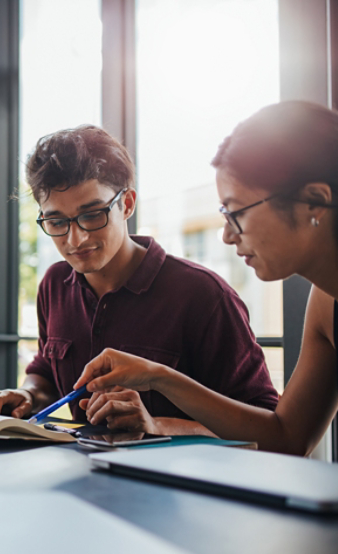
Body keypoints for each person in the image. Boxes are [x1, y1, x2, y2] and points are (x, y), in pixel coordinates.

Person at [0, 125, 279, 435]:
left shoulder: (204, 295)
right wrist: (28, 394)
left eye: (92, 215)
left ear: (127, 204)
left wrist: (158, 425)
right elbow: (46, 372)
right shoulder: (54, 284)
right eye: (56, 221)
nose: (75, 239)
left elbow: (266, 426)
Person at [79, 101, 338, 456]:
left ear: (314, 201)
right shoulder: (325, 302)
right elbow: (288, 438)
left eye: (237, 213)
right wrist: (158, 375)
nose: (228, 236)